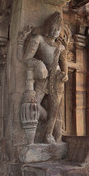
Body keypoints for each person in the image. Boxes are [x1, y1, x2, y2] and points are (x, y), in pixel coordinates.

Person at [23, 12, 68, 144]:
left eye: (58, 29)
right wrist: (39, 63)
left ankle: (48, 134)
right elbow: (26, 59)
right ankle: (44, 124)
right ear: (48, 27)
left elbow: (64, 66)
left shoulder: (61, 47)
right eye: (53, 28)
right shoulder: (38, 39)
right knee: (34, 104)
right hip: (43, 78)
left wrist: (65, 74)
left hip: (57, 79)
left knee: (55, 110)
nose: (55, 31)